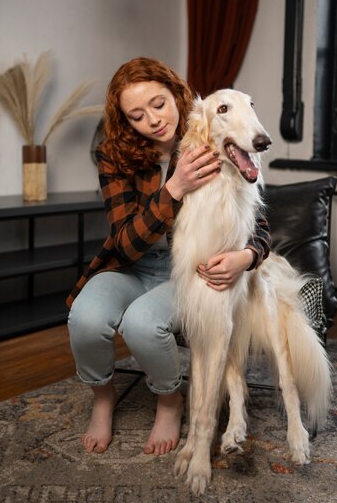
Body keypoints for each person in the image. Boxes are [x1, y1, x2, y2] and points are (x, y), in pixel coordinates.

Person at [67, 57, 271, 457]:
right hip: (131, 265)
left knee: (143, 324)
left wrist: (246, 256)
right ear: (126, 121)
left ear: (175, 91)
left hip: (188, 273)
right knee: (85, 318)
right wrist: (174, 188)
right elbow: (124, 243)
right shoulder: (114, 156)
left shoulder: (210, 135)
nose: (153, 120)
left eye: (158, 104)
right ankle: (103, 397)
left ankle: (168, 399)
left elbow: (257, 220)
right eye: (137, 115)